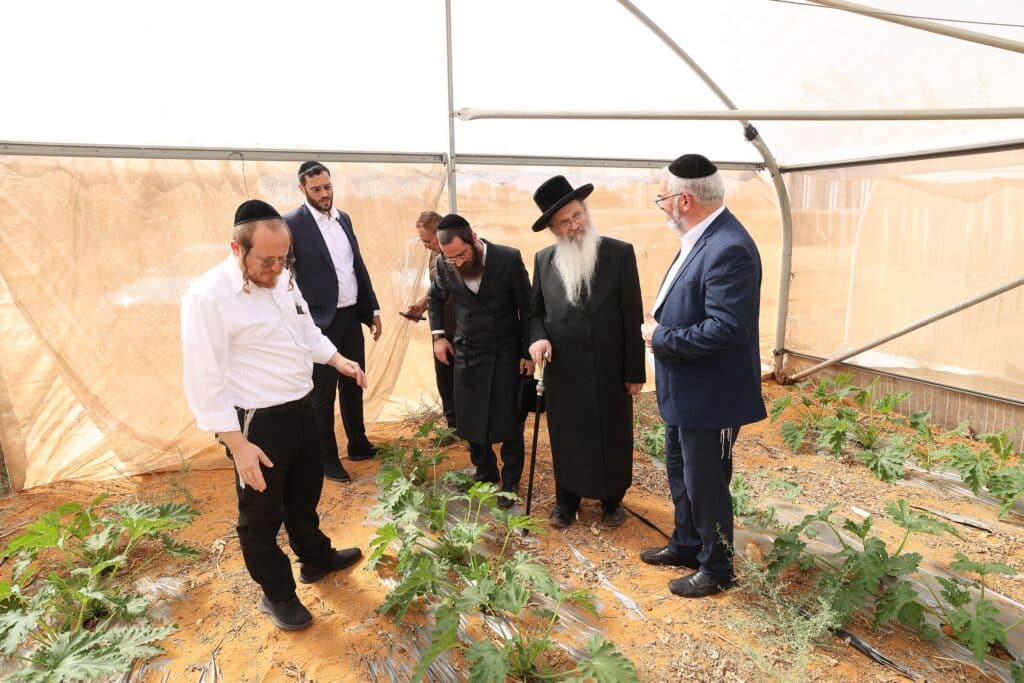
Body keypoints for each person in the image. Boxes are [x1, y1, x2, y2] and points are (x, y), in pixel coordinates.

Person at [181, 199, 366, 630]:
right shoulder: (207, 297)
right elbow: (203, 377)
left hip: (301, 407)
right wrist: (238, 445)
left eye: (285, 258)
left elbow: (305, 332)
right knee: (261, 516)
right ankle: (277, 594)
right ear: (236, 248)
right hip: (256, 424)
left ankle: (315, 558)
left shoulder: (283, 279)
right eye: (267, 260)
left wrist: (338, 360)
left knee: (304, 493)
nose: (277, 267)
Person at [639, 154, 767, 598]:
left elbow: (728, 330)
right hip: (686, 390)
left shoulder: (729, 246)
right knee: (681, 471)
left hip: (711, 396)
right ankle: (687, 543)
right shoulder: (702, 238)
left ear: (685, 200)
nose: (662, 206)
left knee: (707, 482)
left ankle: (717, 568)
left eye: (662, 199)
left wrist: (662, 337)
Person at [527, 176, 646, 529]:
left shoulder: (619, 253)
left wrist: (634, 372)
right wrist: (537, 338)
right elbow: (534, 313)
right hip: (564, 370)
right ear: (553, 229)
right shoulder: (543, 260)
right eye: (565, 222)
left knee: (612, 433)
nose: (575, 225)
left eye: (578, 215)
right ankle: (567, 500)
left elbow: (632, 315)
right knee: (568, 436)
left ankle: (612, 502)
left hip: (610, 369)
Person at [428, 214, 534, 509]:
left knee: (510, 418)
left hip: (506, 352)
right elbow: (435, 298)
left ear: (474, 238)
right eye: (451, 259)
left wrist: (527, 353)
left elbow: (527, 308)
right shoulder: (443, 264)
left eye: (461, 255)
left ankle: (510, 480)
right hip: (468, 352)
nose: (457, 263)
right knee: (471, 416)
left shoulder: (508, 259)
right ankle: (485, 472)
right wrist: (439, 335)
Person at [284, 161, 381, 483]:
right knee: (321, 396)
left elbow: (357, 265)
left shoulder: (344, 219)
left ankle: (358, 443)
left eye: (327, 187)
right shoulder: (291, 224)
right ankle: (326, 459)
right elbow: (284, 275)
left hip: (351, 314)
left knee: (354, 381)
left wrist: (373, 310)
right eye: (316, 189)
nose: (324, 194)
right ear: (302, 189)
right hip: (319, 322)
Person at [402, 210, 458, 440]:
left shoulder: (456, 253)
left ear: (439, 232)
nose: (425, 245)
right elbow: (436, 289)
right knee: (444, 381)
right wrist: (422, 306)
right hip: (440, 328)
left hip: (459, 328)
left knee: (459, 382)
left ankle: (465, 429)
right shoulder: (434, 254)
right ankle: (452, 426)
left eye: (427, 240)